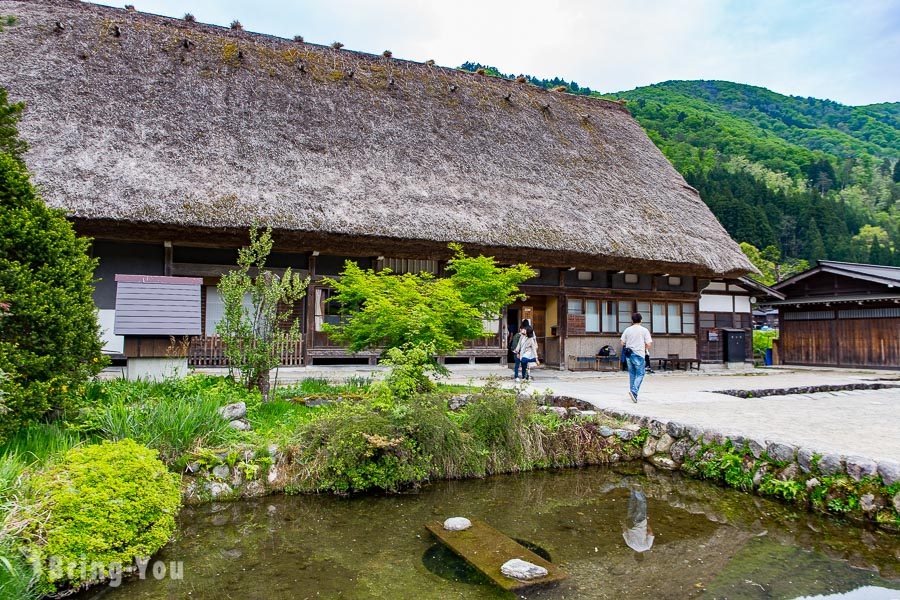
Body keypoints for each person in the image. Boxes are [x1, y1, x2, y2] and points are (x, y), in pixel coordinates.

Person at [620, 312, 652, 403]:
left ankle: (633, 393)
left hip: (629, 355)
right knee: (640, 374)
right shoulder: (644, 330)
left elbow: (622, 342)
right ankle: (634, 392)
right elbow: (649, 344)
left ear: (632, 320)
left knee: (632, 374)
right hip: (639, 354)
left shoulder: (627, 330)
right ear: (641, 320)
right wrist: (643, 347)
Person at [622, 488, 654, 553]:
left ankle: (638, 489)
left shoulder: (647, 546)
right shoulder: (630, 545)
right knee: (632, 503)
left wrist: (648, 526)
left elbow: (650, 533)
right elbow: (624, 531)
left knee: (642, 504)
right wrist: (624, 523)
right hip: (630, 522)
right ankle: (632, 488)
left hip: (640, 522)